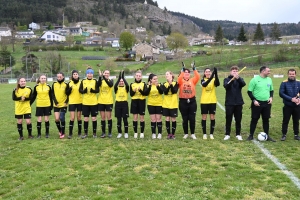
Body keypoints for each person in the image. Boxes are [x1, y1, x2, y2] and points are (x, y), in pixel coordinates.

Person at [247, 66, 276, 142]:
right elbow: (249, 91)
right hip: (257, 103)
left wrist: (271, 97)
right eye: (268, 71)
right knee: (254, 119)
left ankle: (267, 135)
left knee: (266, 120)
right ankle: (251, 135)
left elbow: (271, 90)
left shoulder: (269, 79)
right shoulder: (254, 80)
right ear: (263, 71)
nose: (269, 72)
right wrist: (254, 100)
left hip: (267, 103)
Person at [178, 62, 200, 139]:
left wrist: (194, 69)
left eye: (188, 72)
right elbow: (179, 78)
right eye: (185, 72)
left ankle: (193, 133)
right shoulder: (181, 81)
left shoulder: (192, 80)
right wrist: (182, 70)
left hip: (192, 102)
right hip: (183, 102)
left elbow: (197, 76)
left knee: (192, 118)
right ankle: (186, 133)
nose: (186, 73)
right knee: (185, 118)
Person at [223, 66, 246, 141]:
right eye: (233, 71)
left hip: (239, 103)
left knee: (238, 119)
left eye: (236, 71)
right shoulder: (226, 79)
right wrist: (232, 79)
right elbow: (226, 86)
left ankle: (238, 134)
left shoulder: (240, 79)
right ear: (230, 72)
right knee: (228, 119)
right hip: (229, 103)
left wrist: (238, 78)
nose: (235, 72)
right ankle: (227, 134)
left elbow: (243, 84)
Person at [279, 69, 300, 141]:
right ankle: (284, 134)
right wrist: (291, 99)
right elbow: (281, 93)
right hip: (288, 105)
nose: (291, 75)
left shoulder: (298, 82)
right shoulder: (284, 83)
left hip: (297, 106)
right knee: (286, 120)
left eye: (293, 74)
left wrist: (298, 99)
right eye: (290, 74)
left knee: (296, 120)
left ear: (295, 74)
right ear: (288, 74)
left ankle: (296, 134)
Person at [79, 66, 99, 139]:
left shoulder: (95, 81)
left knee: (94, 118)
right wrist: (83, 91)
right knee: (86, 119)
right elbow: (80, 90)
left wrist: (93, 91)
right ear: (86, 74)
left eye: (91, 73)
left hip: (94, 103)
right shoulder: (83, 81)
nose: (89, 74)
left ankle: (94, 133)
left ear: (93, 74)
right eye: (88, 73)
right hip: (85, 103)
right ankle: (85, 133)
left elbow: (98, 90)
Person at [200, 67, 220, 140]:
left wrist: (216, 74)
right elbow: (204, 85)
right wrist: (212, 77)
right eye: (206, 72)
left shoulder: (214, 79)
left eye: (209, 71)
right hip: (204, 101)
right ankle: (204, 134)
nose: (208, 73)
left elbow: (218, 84)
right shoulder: (202, 80)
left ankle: (211, 134)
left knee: (212, 117)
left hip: (212, 101)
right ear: (204, 73)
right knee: (204, 117)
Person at [144, 73, 164, 139]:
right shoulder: (147, 85)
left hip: (159, 104)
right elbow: (146, 93)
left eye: (156, 79)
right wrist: (149, 86)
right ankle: (153, 133)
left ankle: (159, 133)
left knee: (158, 119)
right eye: (154, 79)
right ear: (151, 80)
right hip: (151, 104)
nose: (156, 80)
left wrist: (157, 86)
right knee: (153, 119)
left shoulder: (160, 85)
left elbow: (161, 92)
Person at [130, 70, 147, 139]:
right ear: (135, 76)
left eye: (139, 76)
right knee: (135, 118)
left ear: (141, 76)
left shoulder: (144, 84)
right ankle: (135, 132)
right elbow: (131, 94)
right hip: (134, 102)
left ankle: (142, 132)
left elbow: (145, 93)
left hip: (142, 102)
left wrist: (140, 90)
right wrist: (134, 91)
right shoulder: (132, 84)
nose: (138, 77)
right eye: (137, 75)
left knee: (142, 118)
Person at [161, 71, 178, 139]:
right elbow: (165, 92)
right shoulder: (164, 84)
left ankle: (173, 134)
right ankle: (169, 134)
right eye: (166, 74)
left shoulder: (176, 83)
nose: (166, 75)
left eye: (167, 74)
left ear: (171, 75)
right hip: (166, 104)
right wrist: (169, 85)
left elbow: (174, 91)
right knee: (167, 118)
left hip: (173, 104)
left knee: (173, 119)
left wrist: (171, 84)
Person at [66, 70, 82, 139]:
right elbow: (66, 93)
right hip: (72, 102)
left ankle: (79, 133)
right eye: (74, 74)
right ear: (72, 75)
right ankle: (70, 133)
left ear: (78, 75)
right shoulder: (69, 83)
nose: (75, 75)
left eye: (76, 74)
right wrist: (69, 89)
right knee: (72, 118)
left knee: (79, 117)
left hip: (79, 102)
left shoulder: (81, 83)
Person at [97, 69, 114, 138]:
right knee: (103, 118)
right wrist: (100, 77)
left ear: (109, 74)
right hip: (101, 101)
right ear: (103, 74)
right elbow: (98, 84)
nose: (106, 74)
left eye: (108, 73)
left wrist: (103, 77)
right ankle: (103, 132)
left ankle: (109, 132)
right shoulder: (101, 80)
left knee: (109, 117)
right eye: (105, 73)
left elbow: (110, 85)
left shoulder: (111, 81)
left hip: (109, 102)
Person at [52, 72, 68, 139]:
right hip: (56, 104)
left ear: (63, 77)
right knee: (57, 119)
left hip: (64, 104)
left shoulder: (66, 84)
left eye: (60, 77)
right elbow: (52, 94)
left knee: (61, 118)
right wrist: (55, 102)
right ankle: (60, 130)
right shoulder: (54, 84)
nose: (59, 78)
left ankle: (62, 133)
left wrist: (66, 102)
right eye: (58, 77)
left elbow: (68, 94)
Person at [114, 71, 129, 139]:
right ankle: (119, 133)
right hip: (118, 104)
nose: (121, 82)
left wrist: (123, 78)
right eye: (120, 81)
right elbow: (115, 85)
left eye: (122, 81)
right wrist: (119, 78)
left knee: (125, 120)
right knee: (119, 120)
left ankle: (126, 133)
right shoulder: (116, 88)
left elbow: (127, 85)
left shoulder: (126, 88)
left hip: (124, 104)